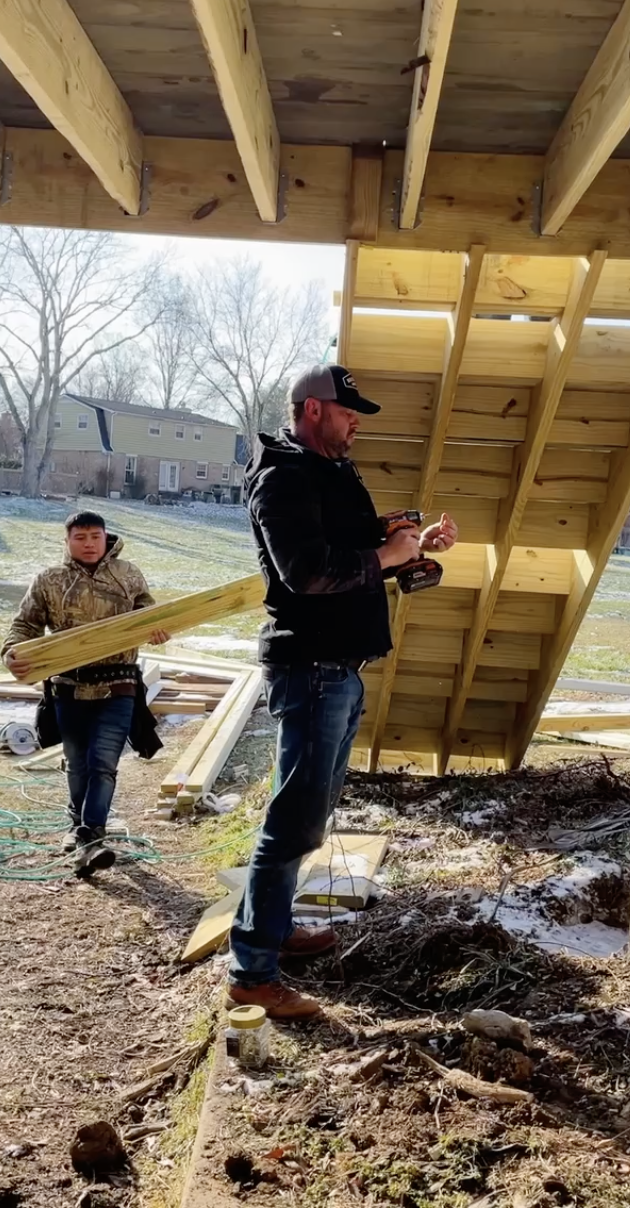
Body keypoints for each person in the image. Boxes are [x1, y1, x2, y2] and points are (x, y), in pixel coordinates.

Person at [226, 364, 458, 1019]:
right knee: (291, 820)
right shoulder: (282, 476)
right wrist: (384, 556)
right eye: (347, 410)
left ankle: (275, 930)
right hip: (312, 668)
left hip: (340, 669)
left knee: (309, 812)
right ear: (310, 410)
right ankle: (252, 972)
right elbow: (305, 572)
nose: (357, 420)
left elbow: (349, 552)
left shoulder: (327, 472)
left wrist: (408, 546)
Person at [2, 510, 170, 875]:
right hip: (68, 688)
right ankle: (78, 826)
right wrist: (12, 653)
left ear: (106, 537)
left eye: (95, 536)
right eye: (80, 537)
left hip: (119, 685)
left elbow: (149, 613)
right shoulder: (49, 580)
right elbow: (25, 625)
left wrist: (157, 628)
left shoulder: (128, 574)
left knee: (103, 764)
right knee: (78, 765)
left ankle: (91, 837)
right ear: (68, 541)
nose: (89, 543)